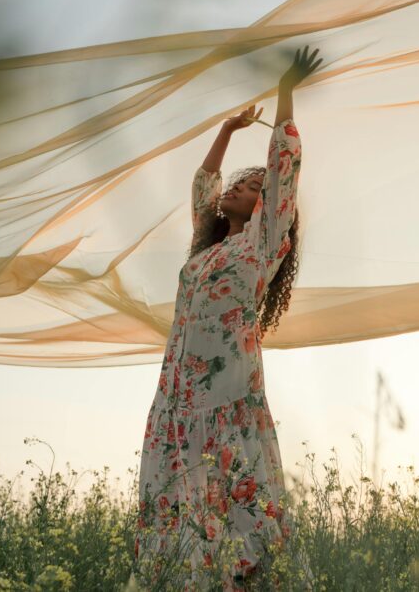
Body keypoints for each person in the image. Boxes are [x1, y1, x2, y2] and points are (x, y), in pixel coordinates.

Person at [133, 46, 322, 591]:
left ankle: (254, 581)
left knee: (236, 488)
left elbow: (284, 169)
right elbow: (202, 188)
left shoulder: (265, 243)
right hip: (177, 389)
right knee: (177, 490)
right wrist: (227, 130)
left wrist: (286, 90)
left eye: (252, 187)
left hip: (228, 389)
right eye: (239, 184)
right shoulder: (205, 249)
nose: (241, 187)